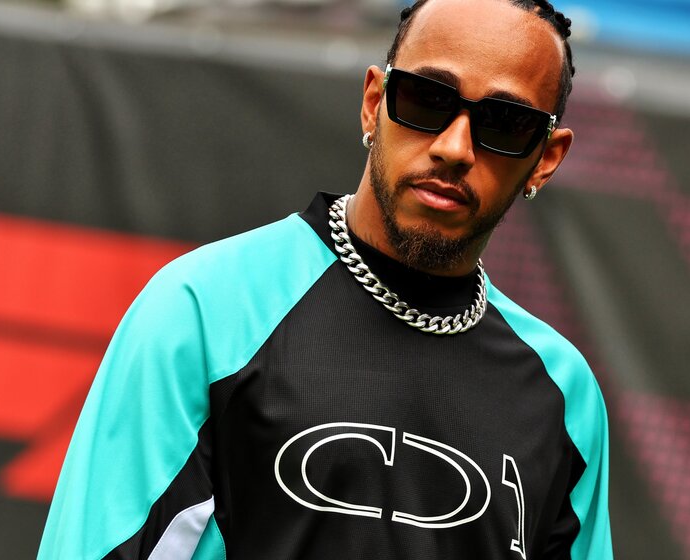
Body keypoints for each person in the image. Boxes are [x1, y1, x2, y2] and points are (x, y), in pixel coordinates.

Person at [38, 0, 612, 558]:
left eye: (505, 124)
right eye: (427, 99)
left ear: (545, 159)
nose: (454, 147)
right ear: (373, 103)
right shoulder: (206, 310)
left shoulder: (564, 397)